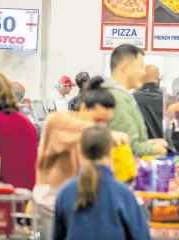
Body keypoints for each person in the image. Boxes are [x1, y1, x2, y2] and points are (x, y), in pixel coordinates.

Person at [31, 76, 129, 239]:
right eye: (98, 119)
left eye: (106, 122)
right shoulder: (58, 122)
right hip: (49, 208)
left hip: (79, 209)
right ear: (84, 108)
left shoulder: (98, 136)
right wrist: (106, 134)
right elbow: (67, 126)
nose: (101, 125)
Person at [53, 125, 150, 240]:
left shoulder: (65, 193)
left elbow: (57, 235)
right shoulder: (123, 194)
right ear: (110, 151)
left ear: (81, 151)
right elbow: (141, 236)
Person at [103, 44, 167, 156]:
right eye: (141, 66)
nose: (143, 73)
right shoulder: (118, 99)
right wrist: (155, 149)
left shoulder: (123, 96)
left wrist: (149, 143)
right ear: (125, 67)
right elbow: (127, 146)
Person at [134, 64, 163, 139]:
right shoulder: (169, 99)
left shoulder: (131, 99)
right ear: (157, 80)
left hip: (140, 147)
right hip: (164, 147)